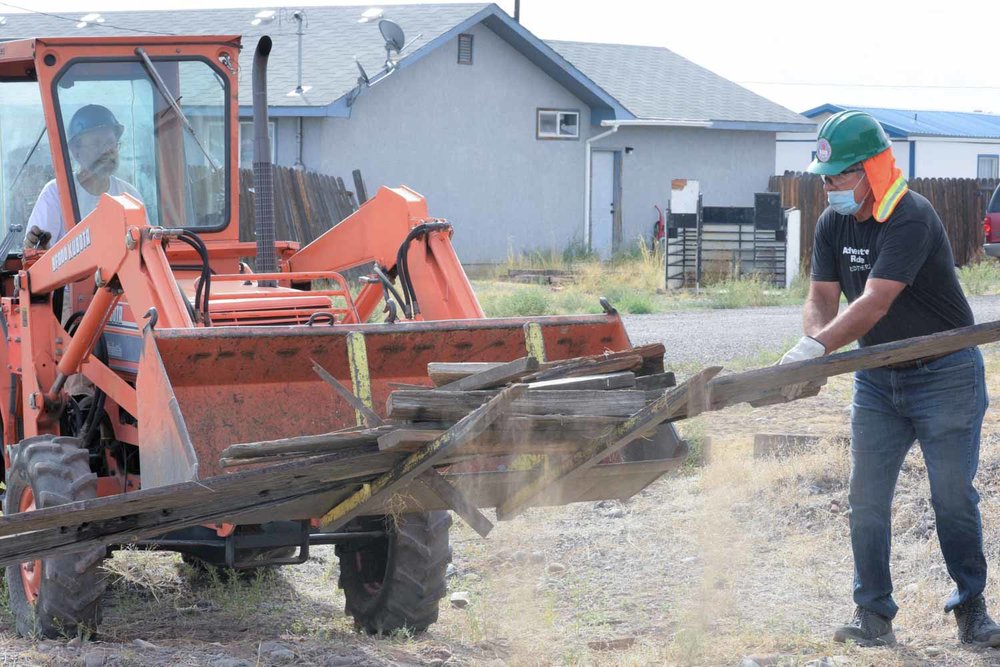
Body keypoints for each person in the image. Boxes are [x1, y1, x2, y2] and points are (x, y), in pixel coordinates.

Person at [779, 109, 998, 648]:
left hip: (945, 374)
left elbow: (875, 302)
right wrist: (813, 343)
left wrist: (818, 346)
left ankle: (972, 611)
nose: (830, 187)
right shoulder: (834, 222)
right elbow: (822, 297)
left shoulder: (912, 216)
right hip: (878, 380)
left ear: (874, 169)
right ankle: (873, 617)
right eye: (825, 177)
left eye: (841, 176)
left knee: (951, 496)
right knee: (867, 496)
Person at [24, 104, 142, 249]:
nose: (107, 150)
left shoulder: (130, 195)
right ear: (76, 151)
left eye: (111, 142)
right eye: (97, 143)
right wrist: (37, 246)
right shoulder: (56, 193)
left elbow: (144, 249)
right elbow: (37, 255)